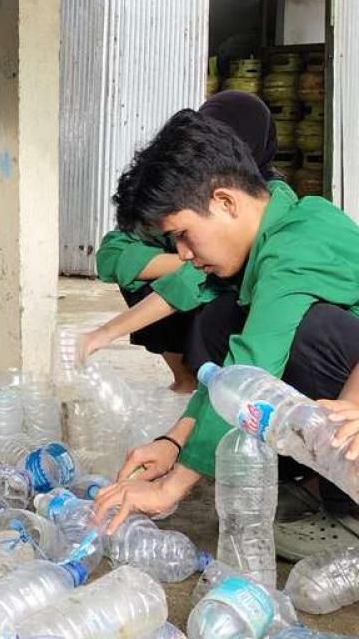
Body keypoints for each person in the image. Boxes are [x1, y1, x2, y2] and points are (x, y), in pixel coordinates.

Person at [88, 108, 359, 559]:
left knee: (305, 335)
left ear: (225, 202)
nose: (184, 254)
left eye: (184, 235)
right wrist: (174, 443)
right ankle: (315, 481)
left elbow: (251, 368)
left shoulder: (296, 246)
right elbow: (227, 376)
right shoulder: (262, 241)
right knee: (219, 321)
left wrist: (168, 491)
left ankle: (347, 512)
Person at [85, 92, 279, 393]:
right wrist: (189, 258)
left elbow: (259, 355)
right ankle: (188, 380)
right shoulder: (187, 194)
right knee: (148, 280)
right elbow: (111, 255)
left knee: (220, 315)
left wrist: (180, 439)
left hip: (293, 347)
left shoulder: (272, 215)